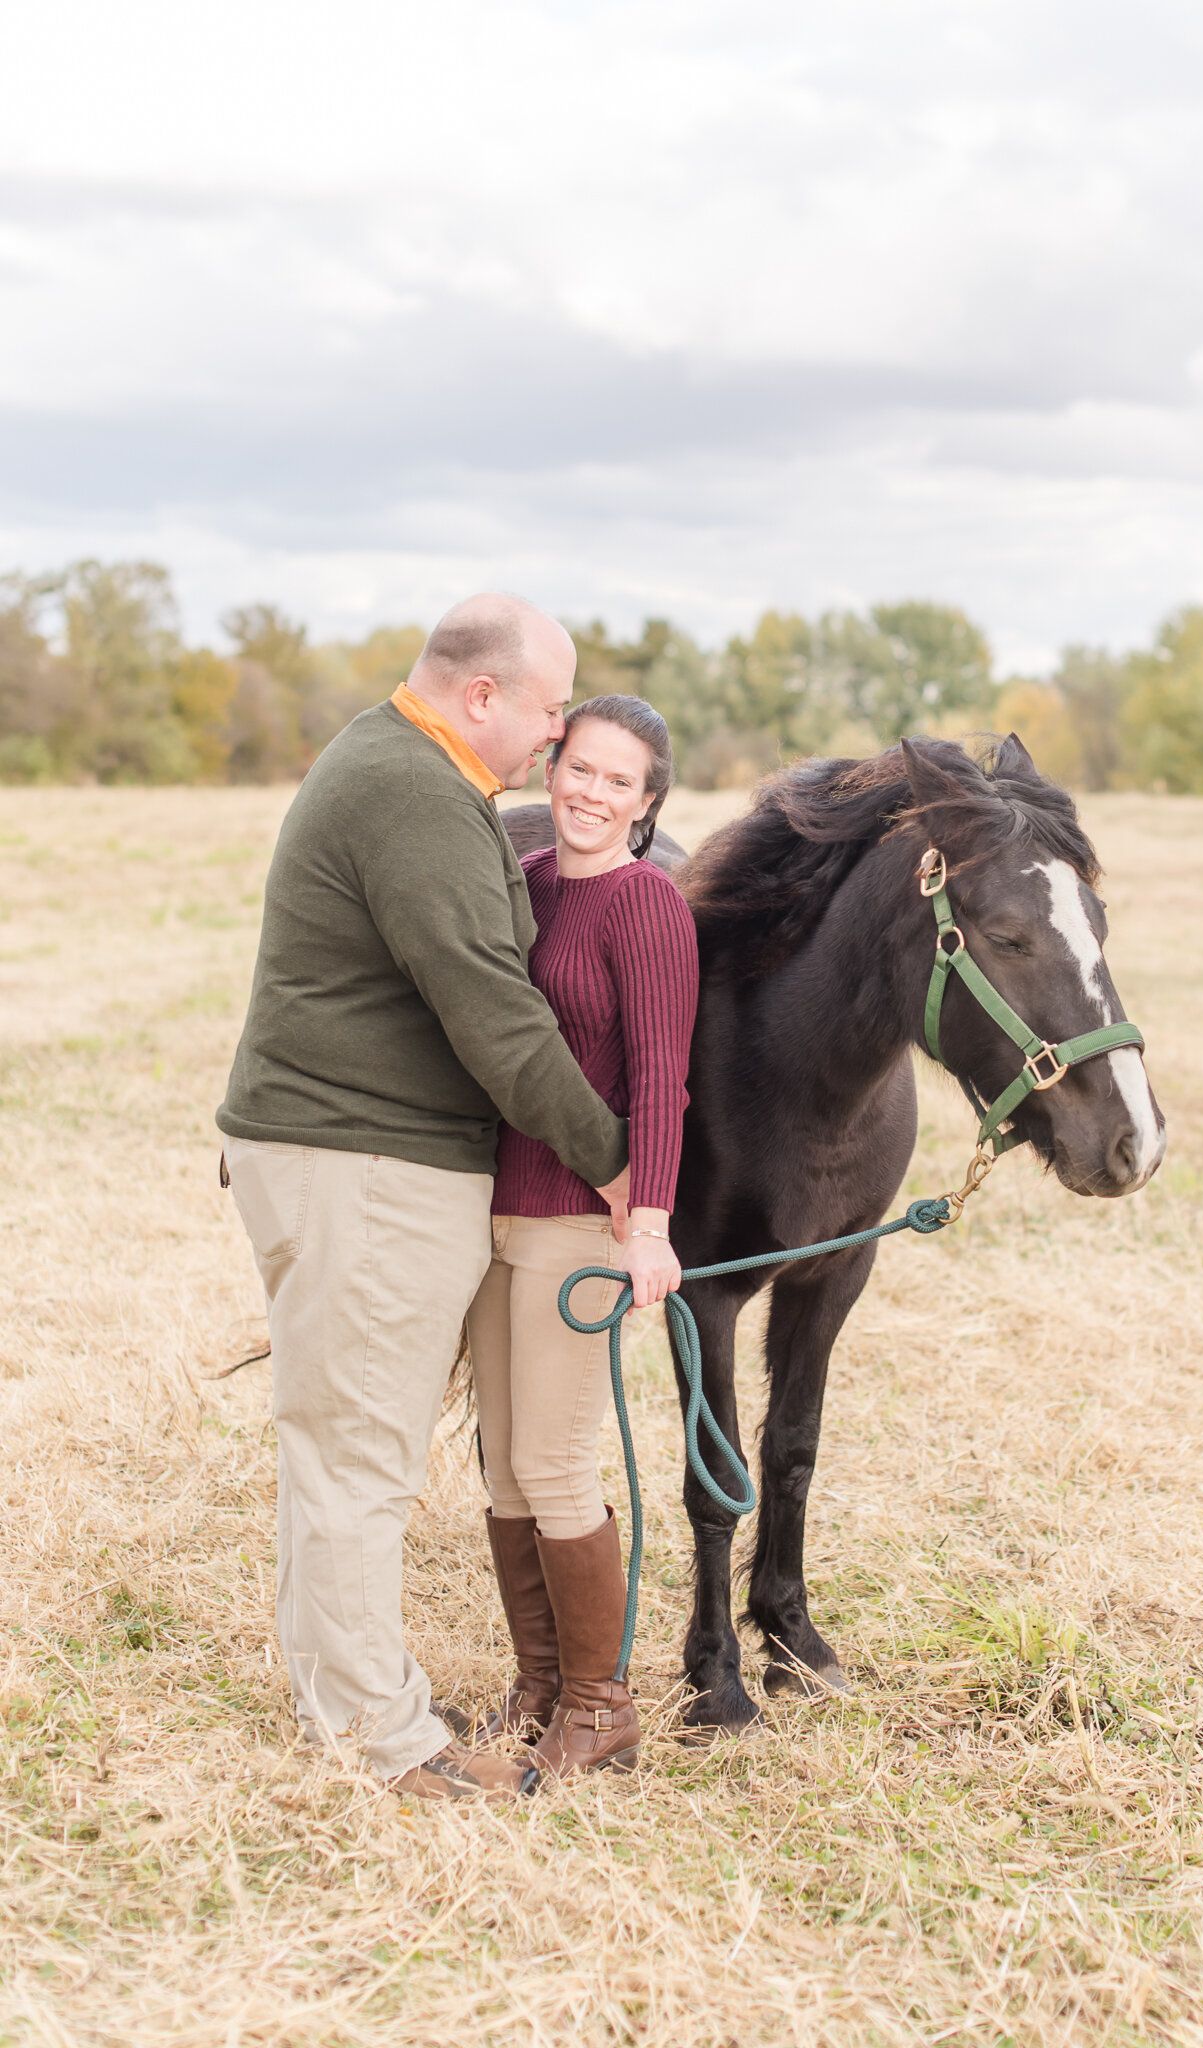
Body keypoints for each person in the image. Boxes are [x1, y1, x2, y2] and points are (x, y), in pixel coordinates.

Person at [216, 594, 632, 1804]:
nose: (560, 736)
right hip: (365, 1170)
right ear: (482, 695)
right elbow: (495, 1011)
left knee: (332, 1448)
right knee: (359, 1460)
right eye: (552, 709)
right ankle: (385, 1743)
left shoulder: (402, 766)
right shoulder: (413, 791)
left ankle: (341, 1695)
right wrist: (622, 1164)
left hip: (342, 1156)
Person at [465, 694, 699, 1778]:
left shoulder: (647, 907)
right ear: (552, 767)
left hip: (580, 1225)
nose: (591, 793)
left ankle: (602, 1706)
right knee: (504, 1466)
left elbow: (662, 1078)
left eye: (619, 781)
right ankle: (542, 1686)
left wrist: (646, 1222)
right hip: (498, 1210)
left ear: (647, 804)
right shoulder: (529, 885)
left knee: (555, 1462)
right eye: (580, 768)